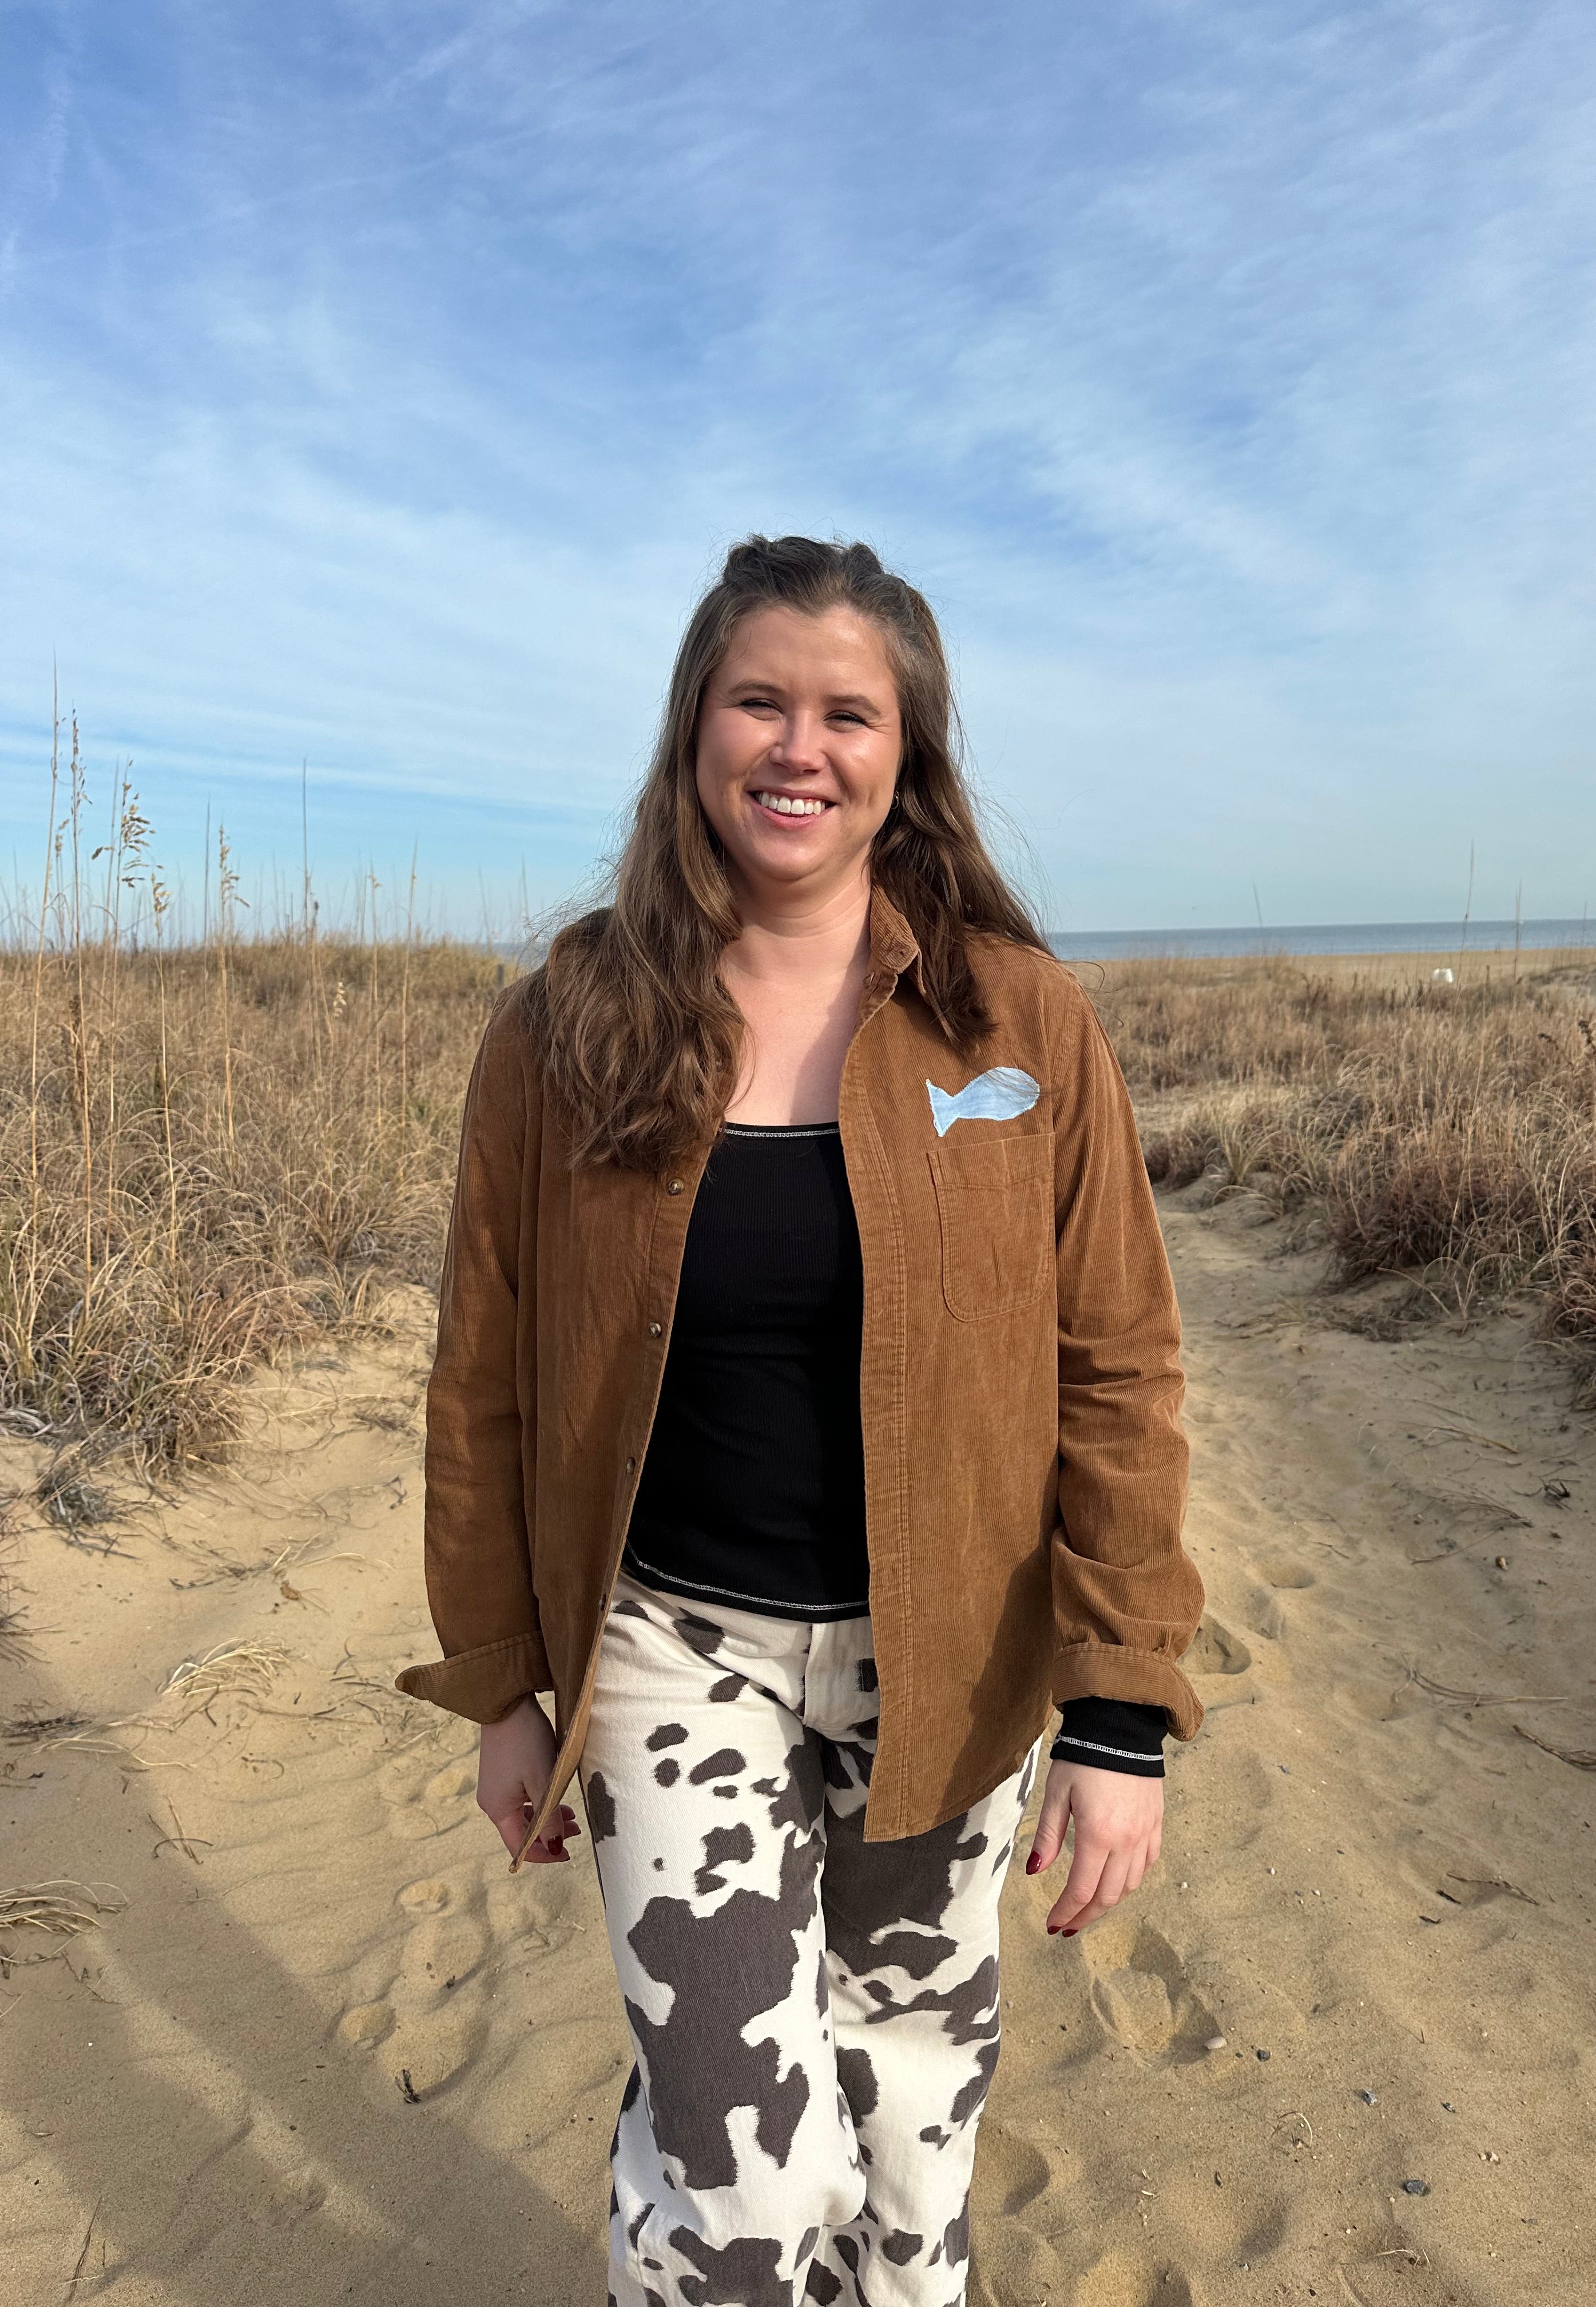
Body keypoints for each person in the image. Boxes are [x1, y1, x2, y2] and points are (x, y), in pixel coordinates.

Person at [397, 534, 1204, 2307]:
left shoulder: (1018, 1022)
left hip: (955, 1658)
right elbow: (487, 1376)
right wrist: (503, 1682)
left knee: (913, 2163)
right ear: (697, 731)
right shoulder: (566, 1027)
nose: (799, 746)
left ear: (906, 756)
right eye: (760, 699)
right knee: (747, 2184)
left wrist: (1123, 1712)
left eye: (849, 712)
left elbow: (1120, 1369)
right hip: (677, 1654)